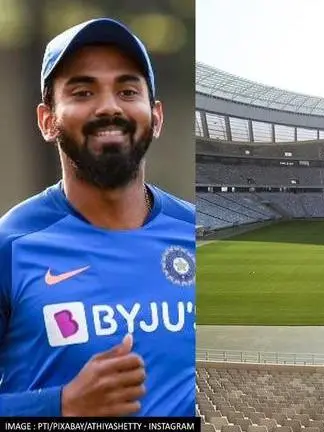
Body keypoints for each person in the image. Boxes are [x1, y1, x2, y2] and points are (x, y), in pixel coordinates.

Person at [0, 18, 195, 416]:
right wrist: (61, 405)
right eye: (83, 91)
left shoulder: (193, 231)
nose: (108, 106)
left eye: (127, 90)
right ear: (47, 120)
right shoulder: (11, 247)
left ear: (155, 117)